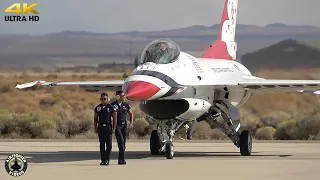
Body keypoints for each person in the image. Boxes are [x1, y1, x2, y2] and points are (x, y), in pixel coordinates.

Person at [111, 90, 134, 165]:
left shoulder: (126, 105)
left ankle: (120, 159)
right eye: (122, 96)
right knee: (120, 142)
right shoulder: (113, 105)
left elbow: (131, 114)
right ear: (117, 97)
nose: (124, 97)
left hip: (124, 126)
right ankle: (122, 160)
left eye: (124, 96)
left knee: (123, 144)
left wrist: (131, 122)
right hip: (117, 126)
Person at [94, 93, 117, 166]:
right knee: (101, 145)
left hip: (108, 127)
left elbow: (115, 118)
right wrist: (95, 128)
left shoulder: (111, 107)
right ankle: (103, 160)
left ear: (107, 99)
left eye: (104, 99)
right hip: (101, 127)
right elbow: (95, 118)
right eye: (101, 99)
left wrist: (114, 128)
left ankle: (107, 159)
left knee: (109, 145)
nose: (103, 100)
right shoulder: (98, 108)